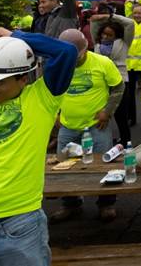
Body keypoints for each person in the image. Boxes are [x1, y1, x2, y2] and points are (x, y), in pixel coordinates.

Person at [0, 27, 77, 266]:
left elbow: (66, 52)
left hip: (17, 221)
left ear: (23, 78)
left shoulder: (41, 99)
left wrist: (16, 37)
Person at [51, 29, 125, 223]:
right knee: (64, 167)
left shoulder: (102, 63)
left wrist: (108, 111)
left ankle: (106, 203)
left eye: (75, 56)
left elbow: (118, 87)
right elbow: (51, 92)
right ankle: (71, 204)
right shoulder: (58, 65)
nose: (72, 60)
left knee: (103, 165)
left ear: (85, 50)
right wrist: (55, 114)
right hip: (68, 125)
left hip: (96, 125)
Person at [90, 8, 135, 145]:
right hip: (102, 83)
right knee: (101, 116)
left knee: (121, 117)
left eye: (109, 35)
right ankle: (105, 142)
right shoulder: (98, 42)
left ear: (117, 35)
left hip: (120, 82)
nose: (105, 37)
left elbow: (130, 23)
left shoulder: (124, 42)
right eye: (104, 34)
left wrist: (111, 16)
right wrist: (102, 18)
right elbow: (93, 21)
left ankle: (126, 142)